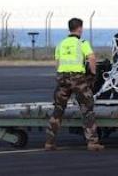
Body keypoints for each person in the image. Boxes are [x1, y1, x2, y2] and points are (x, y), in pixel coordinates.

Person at [45, 18, 103, 151]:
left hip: (63, 78)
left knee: (58, 109)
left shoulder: (61, 44)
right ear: (80, 28)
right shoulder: (82, 42)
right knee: (87, 109)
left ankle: (50, 142)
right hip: (78, 79)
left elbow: (58, 63)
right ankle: (92, 142)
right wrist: (93, 74)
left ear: (69, 28)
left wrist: (60, 77)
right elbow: (92, 58)